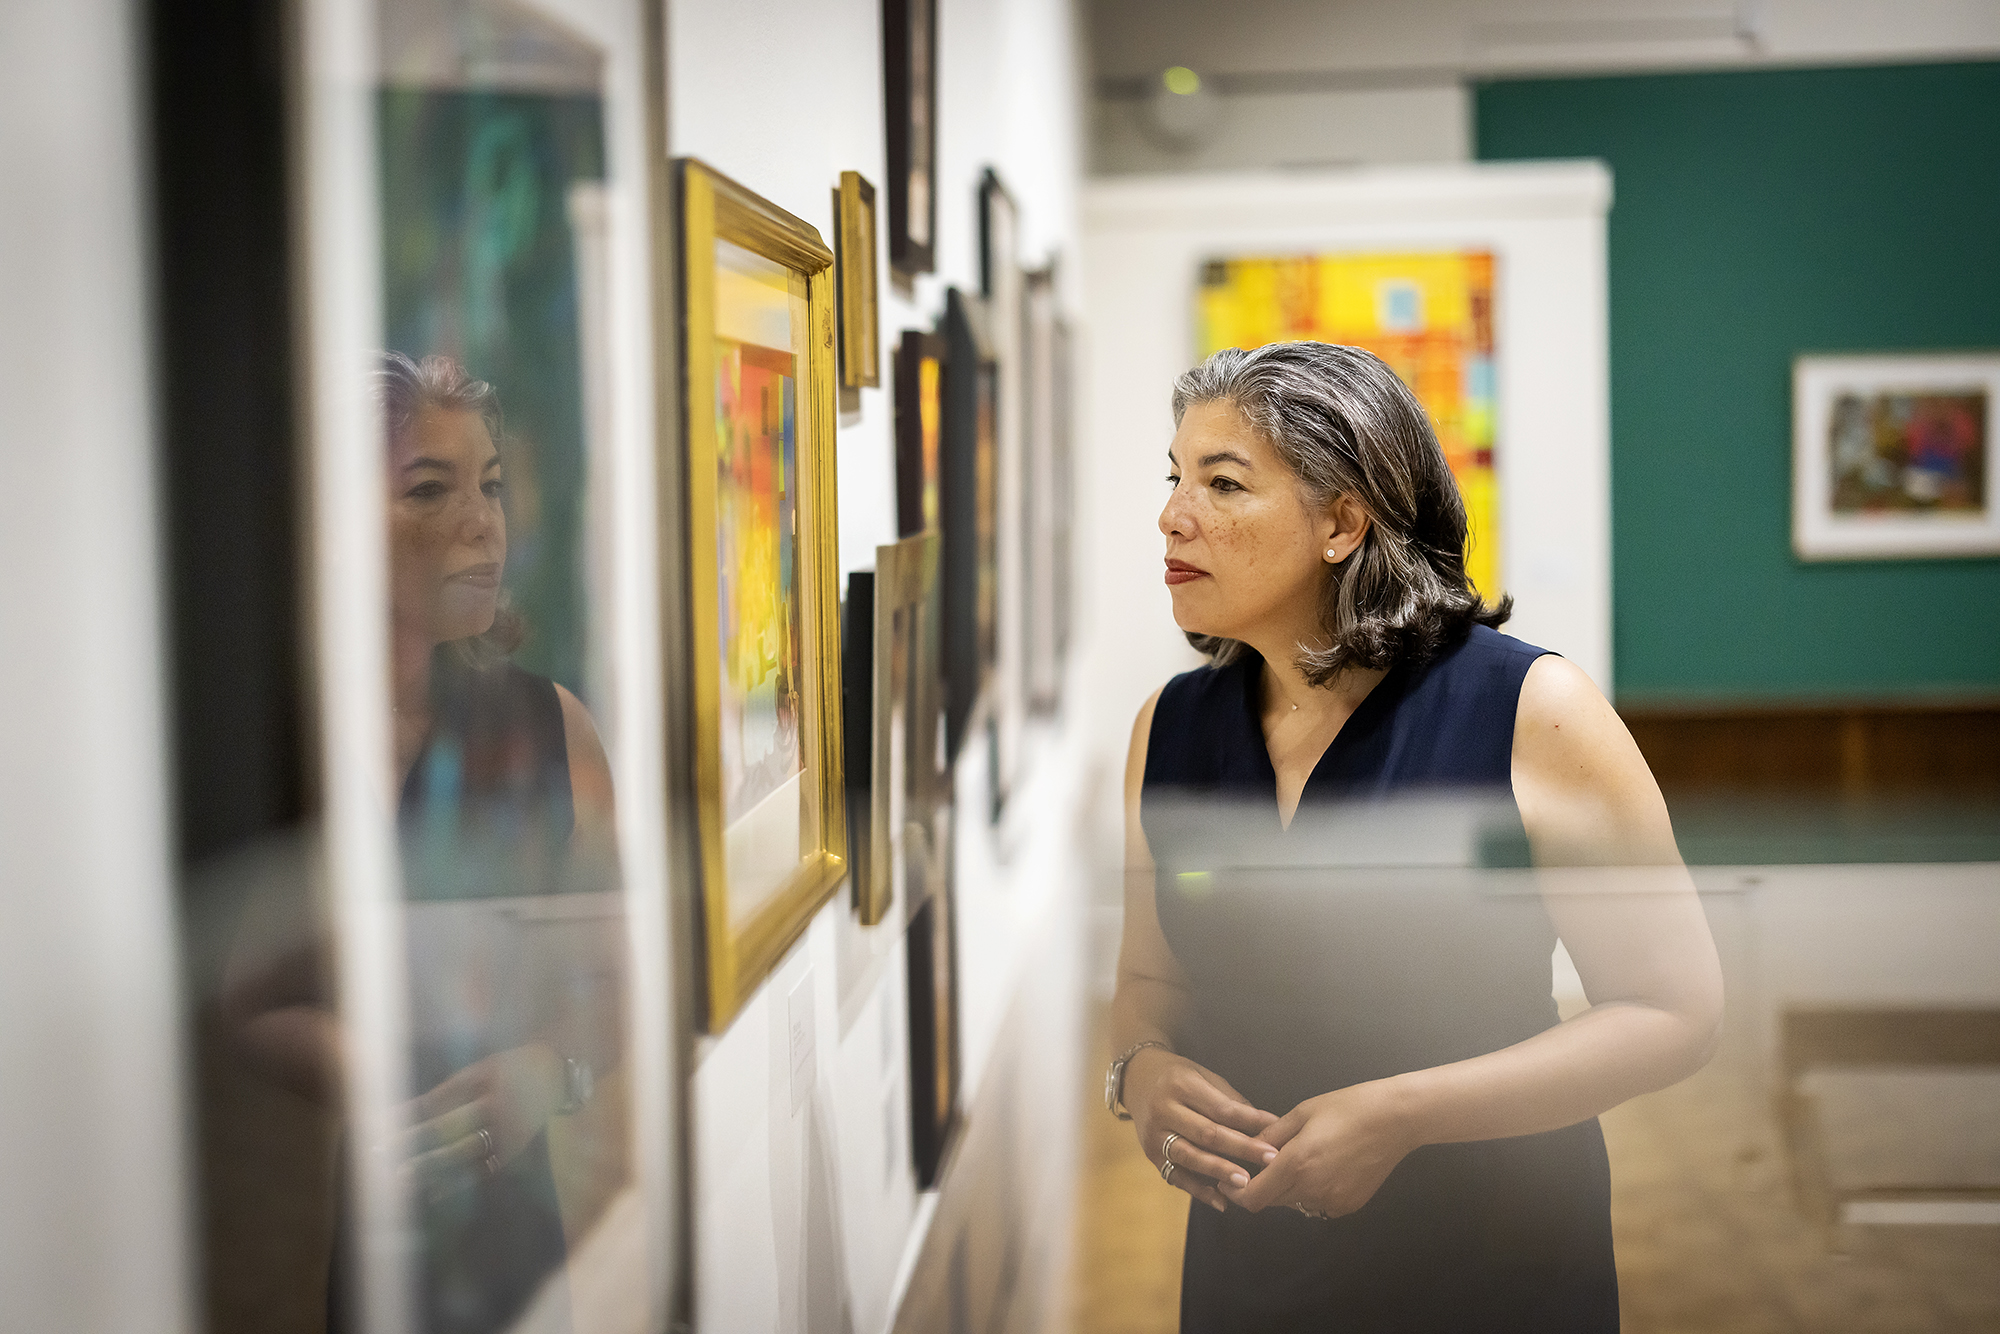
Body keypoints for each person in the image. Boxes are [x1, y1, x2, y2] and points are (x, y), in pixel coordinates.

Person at [1106, 342, 1724, 1332]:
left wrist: (1400, 1115)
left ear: (1342, 521)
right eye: (1174, 476)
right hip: (1251, 1255)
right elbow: (1148, 981)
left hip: (1494, 1254)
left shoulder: (1531, 708)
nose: (1173, 514)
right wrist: (1140, 1070)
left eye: (1221, 482)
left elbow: (1672, 1010)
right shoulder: (1166, 725)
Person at [224, 351, 621, 1334]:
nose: (482, 521)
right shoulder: (272, 744)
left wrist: (546, 1069)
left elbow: (618, 984)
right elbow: (234, 992)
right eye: (427, 488)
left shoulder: (552, 727)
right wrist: (365, 1069)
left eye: (490, 483)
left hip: (513, 1241)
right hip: (296, 1247)